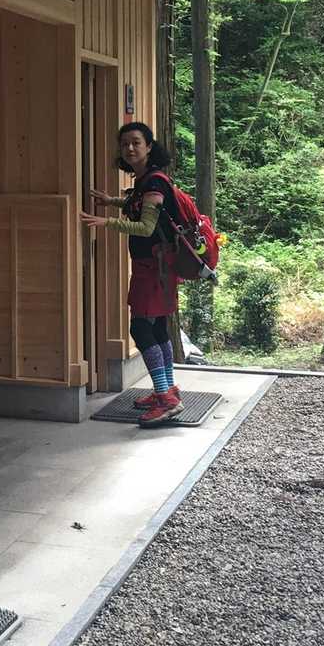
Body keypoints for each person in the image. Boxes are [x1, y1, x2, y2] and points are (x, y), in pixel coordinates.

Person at [80, 121, 185, 427]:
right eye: (125, 143)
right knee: (159, 327)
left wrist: (106, 222)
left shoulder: (153, 183)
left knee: (140, 328)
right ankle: (167, 390)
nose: (129, 148)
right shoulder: (146, 180)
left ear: (149, 146)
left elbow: (146, 227)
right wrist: (112, 202)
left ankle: (165, 399)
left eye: (136, 142)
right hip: (159, 266)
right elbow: (139, 207)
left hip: (154, 269)